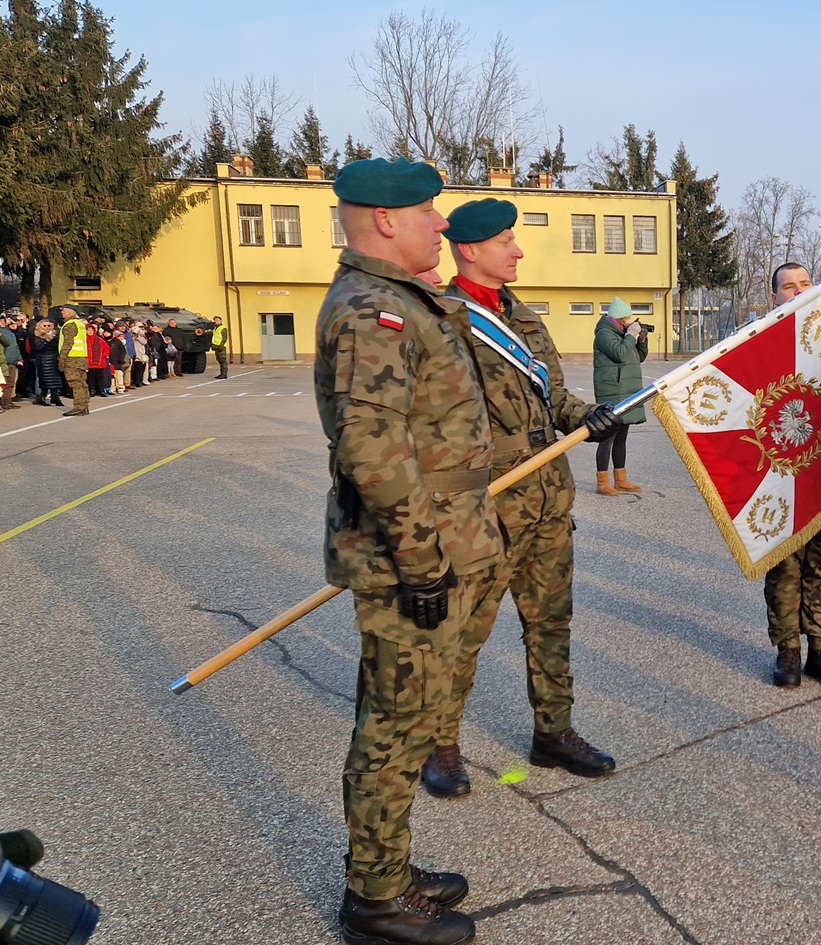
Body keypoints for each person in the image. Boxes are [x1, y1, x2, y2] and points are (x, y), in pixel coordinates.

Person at [316, 157, 506, 945]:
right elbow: (372, 444)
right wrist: (424, 560)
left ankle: (388, 868)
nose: (441, 226)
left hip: (444, 536)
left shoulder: (399, 299)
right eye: (430, 213)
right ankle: (375, 902)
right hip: (409, 553)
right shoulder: (372, 309)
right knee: (395, 727)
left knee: (412, 715)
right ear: (387, 220)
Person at [426, 197, 622, 798]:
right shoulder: (443, 320)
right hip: (485, 504)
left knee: (551, 623)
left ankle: (553, 732)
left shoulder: (525, 320)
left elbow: (554, 399)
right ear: (470, 249)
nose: (517, 249)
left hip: (546, 499)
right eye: (506, 241)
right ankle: (441, 745)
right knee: (464, 630)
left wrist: (590, 416)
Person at [762, 262, 821, 690]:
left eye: (804, 284)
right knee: (784, 568)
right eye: (787, 286)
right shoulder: (757, 342)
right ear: (775, 296)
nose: (797, 290)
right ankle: (788, 650)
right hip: (780, 476)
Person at [591, 297, 649, 495]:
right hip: (612, 391)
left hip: (625, 391)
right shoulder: (604, 334)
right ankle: (602, 482)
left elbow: (636, 357)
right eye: (626, 319)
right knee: (607, 437)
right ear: (618, 319)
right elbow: (620, 354)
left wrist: (641, 340)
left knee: (621, 437)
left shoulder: (622, 334)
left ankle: (621, 479)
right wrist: (631, 336)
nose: (629, 323)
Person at [58, 308, 90, 416]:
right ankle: (84, 406)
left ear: (70, 312)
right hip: (81, 357)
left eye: (64, 311)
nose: (62, 312)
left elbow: (68, 343)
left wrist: (62, 358)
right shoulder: (79, 324)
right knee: (82, 383)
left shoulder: (69, 325)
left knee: (75, 383)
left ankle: (79, 407)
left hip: (72, 358)